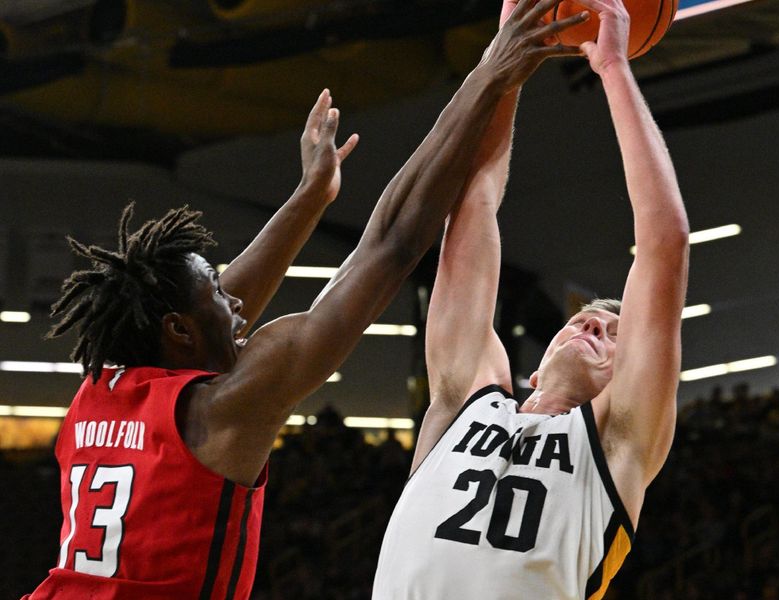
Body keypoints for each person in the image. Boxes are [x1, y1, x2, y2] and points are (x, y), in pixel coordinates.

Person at [24, 2, 590, 598]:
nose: (237, 301)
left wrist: (309, 196)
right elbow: (393, 245)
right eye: (217, 292)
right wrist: (489, 74)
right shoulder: (222, 409)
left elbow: (211, 310)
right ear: (179, 331)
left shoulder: (98, 393)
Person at [372, 0, 690, 597]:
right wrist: (508, 57)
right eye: (585, 321)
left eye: (614, 337)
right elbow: (473, 207)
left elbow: (664, 243)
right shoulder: (464, 397)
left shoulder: (619, 439)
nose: (594, 328)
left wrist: (615, 68)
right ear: (537, 359)